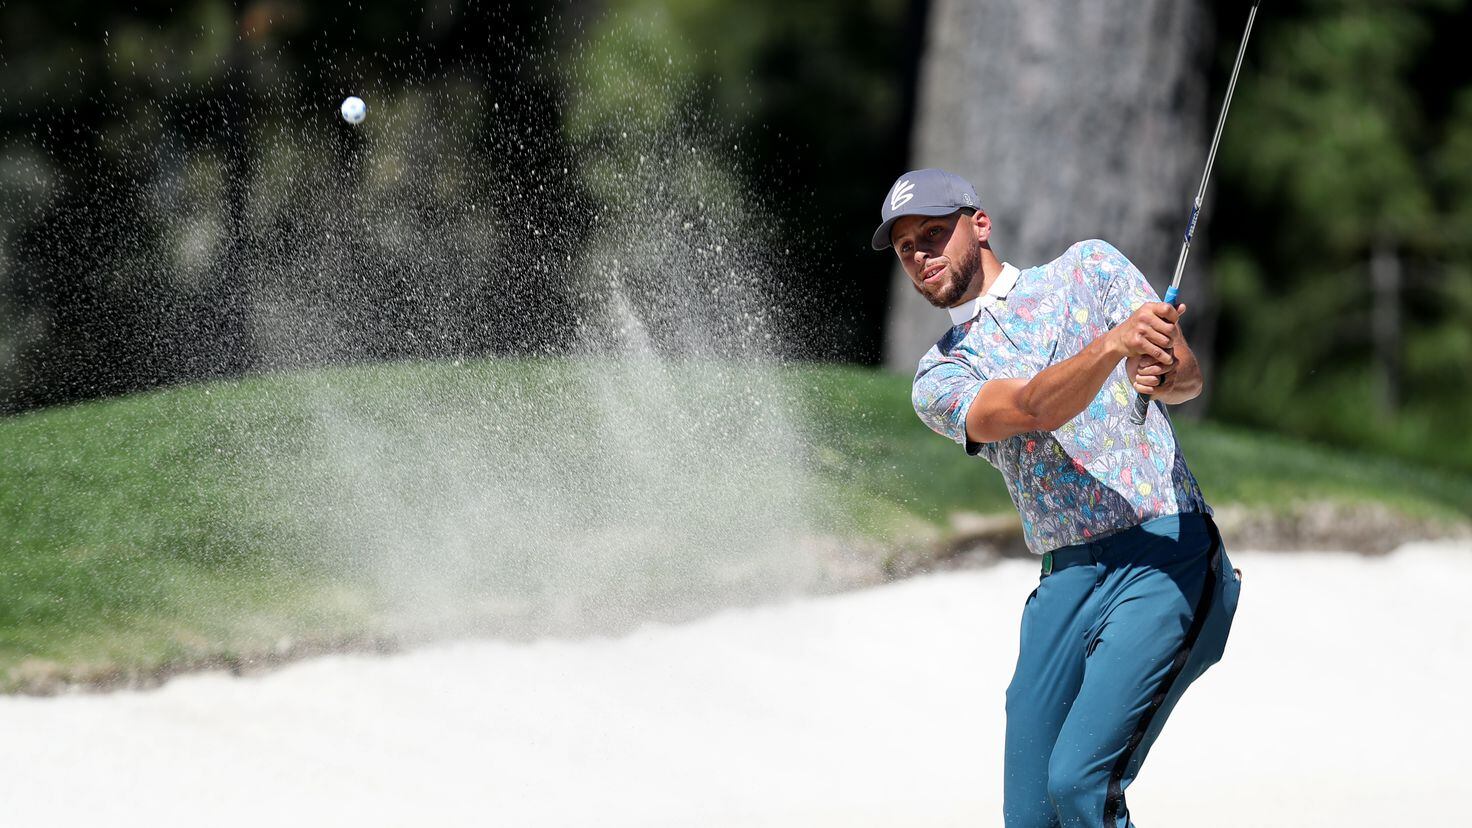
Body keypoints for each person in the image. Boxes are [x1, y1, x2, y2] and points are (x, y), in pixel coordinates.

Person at [873, 168, 1241, 827]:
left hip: (1165, 553)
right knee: (1032, 816)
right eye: (907, 249)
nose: (923, 255)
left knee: (1079, 784)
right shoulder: (940, 375)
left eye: (934, 233)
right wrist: (1111, 348)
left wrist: (1162, 363)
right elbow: (1028, 407)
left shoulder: (1089, 270)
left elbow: (1184, 378)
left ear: (979, 224)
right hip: (1067, 577)